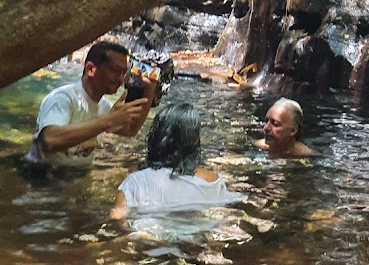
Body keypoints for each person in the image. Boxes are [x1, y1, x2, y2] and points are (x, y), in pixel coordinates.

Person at [26, 40, 154, 169]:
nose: (120, 79)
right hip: (44, 174)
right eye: (115, 70)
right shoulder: (63, 98)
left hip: (76, 174)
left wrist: (150, 90)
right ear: (91, 69)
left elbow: (130, 130)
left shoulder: (103, 105)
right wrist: (108, 121)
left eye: (123, 72)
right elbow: (48, 140)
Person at [110, 101, 238, 219]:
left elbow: (118, 218)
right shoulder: (213, 182)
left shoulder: (135, 183)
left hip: (149, 233)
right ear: (195, 142)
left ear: (155, 137)